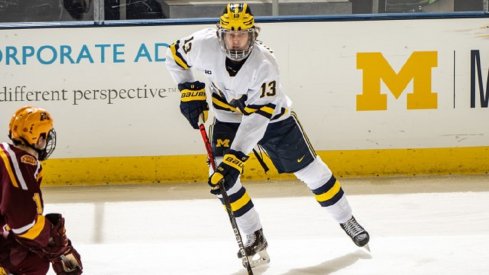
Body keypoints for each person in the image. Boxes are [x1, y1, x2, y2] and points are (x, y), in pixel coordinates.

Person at [165, 2, 369, 268]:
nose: (236, 40)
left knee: (311, 172)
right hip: (227, 117)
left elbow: (256, 121)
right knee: (220, 180)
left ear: (253, 35)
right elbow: (174, 55)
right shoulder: (202, 44)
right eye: (230, 33)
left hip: (272, 119)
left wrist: (235, 158)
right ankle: (254, 234)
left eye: (242, 34)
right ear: (220, 34)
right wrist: (187, 88)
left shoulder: (265, 64)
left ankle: (346, 218)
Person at [0, 106, 83, 275]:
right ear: (38, 139)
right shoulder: (20, 163)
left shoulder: (7, 154)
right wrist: (51, 239)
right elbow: (22, 224)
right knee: (33, 262)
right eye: (46, 136)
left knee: (27, 255)